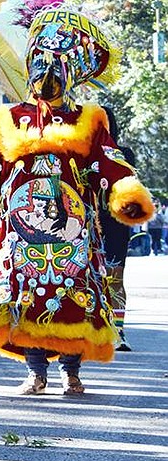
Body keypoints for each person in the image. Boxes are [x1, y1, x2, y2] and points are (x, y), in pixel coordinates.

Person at [0, 0, 153, 396]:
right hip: (18, 229)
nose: (45, 71)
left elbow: (109, 163)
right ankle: (35, 372)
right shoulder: (8, 118)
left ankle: (72, 372)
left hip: (72, 224)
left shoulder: (90, 117)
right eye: (38, 61)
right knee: (24, 296)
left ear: (69, 72)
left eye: (54, 64)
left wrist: (126, 193)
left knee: (71, 296)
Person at [98, 107, 138, 352]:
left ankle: (118, 331)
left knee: (114, 277)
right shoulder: (79, 153)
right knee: (85, 278)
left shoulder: (124, 154)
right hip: (87, 223)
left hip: (115, 224)